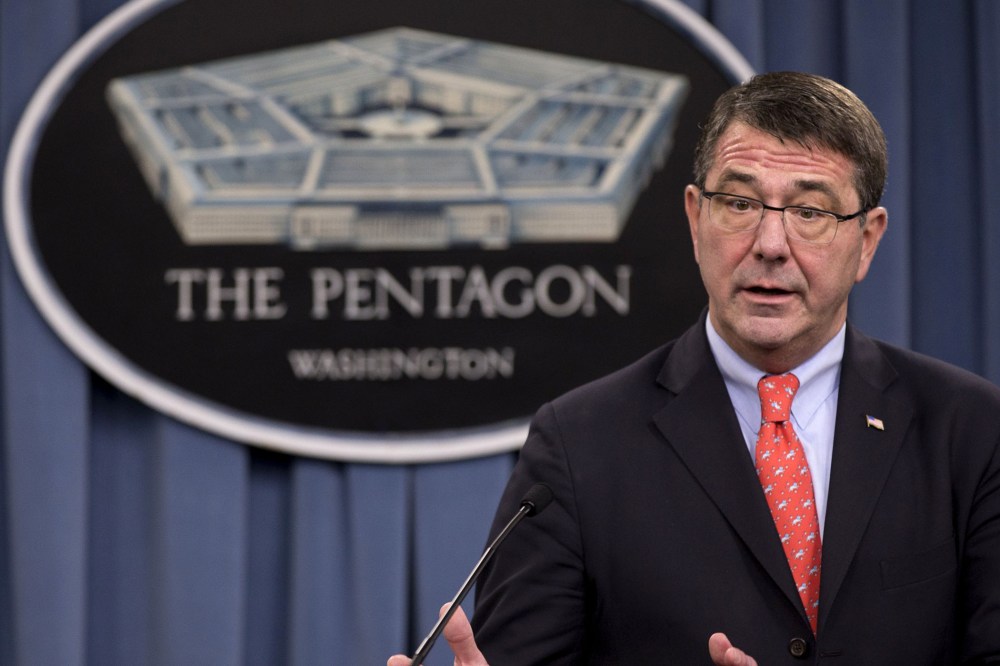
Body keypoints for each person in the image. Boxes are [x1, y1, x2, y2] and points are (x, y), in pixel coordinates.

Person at [389, 71, 1000, 664]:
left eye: (810, 212)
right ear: (695, 216)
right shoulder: (579, 445)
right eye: (739, 202)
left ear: (866, 240)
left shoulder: (968, 431)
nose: (770, 243)